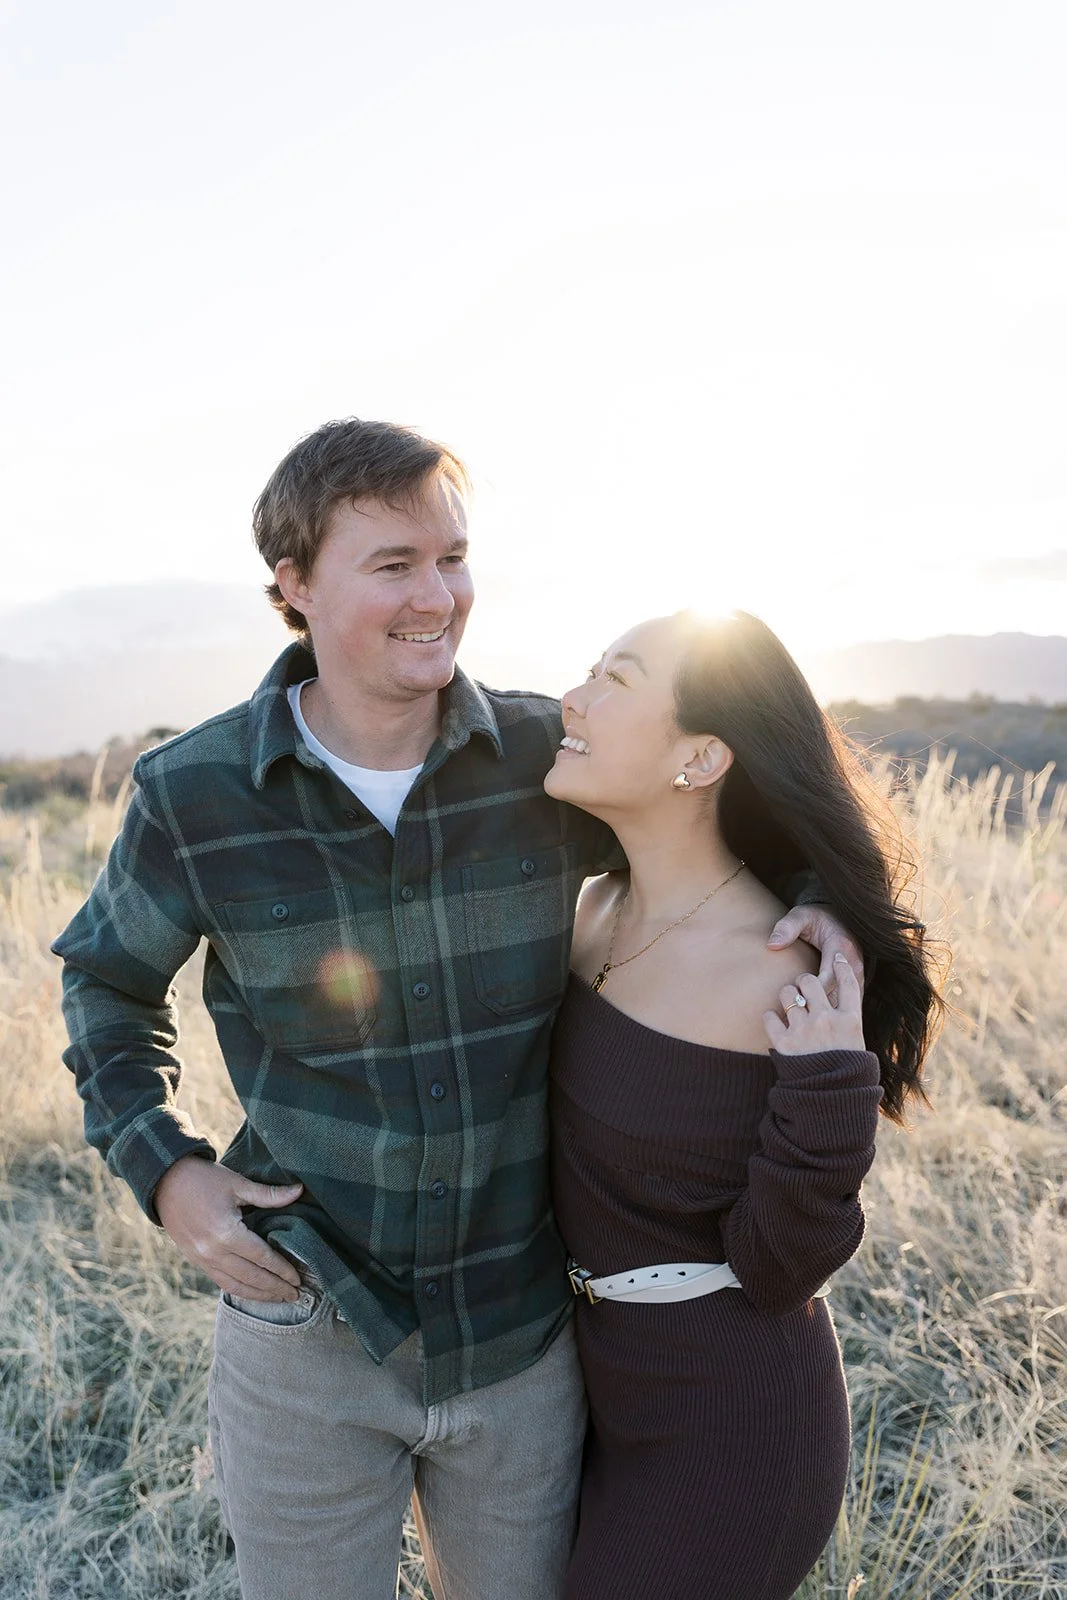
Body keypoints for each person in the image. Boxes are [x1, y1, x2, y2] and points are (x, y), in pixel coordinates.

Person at [52, 419, 861, 1600]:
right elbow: (105, 983)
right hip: (305, 1332)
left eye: (453, 556)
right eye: (393, 565)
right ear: (293, 585)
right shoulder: (194, 795)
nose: (438, 596)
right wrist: (165, 1168)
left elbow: (713, 825)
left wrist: (813, 900)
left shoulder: (546, 759)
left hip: (521, 1347)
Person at [543, 608, 944, 1600]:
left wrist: (826, 1085)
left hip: (728, 1428)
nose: (572, 698)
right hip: (585, 1387)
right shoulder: (591, 909)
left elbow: (776, 1266)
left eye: (615, 680)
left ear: (700, 756)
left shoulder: (776, 971)